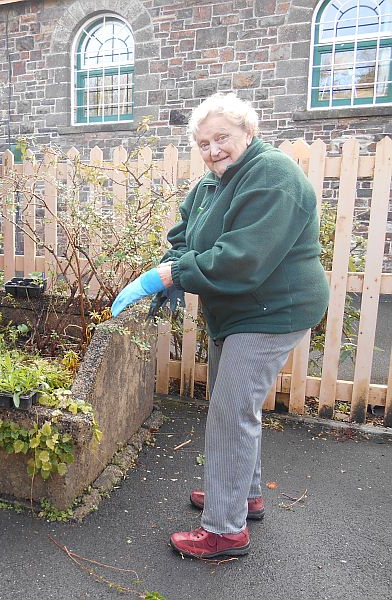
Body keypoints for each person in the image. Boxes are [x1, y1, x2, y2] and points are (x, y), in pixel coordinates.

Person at [111, 92, 329, 558]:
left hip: (272, 311)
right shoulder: (212, 183)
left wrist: (163, 276)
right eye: (204, 143)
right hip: (233, 310)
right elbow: (184, 236)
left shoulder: (272, 177)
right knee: (233, 406)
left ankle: (226, 530)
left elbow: (241, 259)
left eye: (222, 138)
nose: (213, 150)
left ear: (248, 132)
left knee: (231, 412)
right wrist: (172, 265)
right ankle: (242, 496)